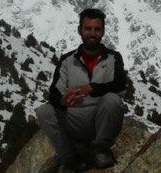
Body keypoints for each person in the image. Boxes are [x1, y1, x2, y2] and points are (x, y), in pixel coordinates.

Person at [36, 9, 126, 172]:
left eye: (97, 29)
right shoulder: (67, 60)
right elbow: (54, 93)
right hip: (75, 118)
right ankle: (68, 157)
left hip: (103, 117)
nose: (92, 33)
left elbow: (120, 85)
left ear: (103, 32)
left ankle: (101, 148)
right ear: (80, 31)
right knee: (44, 111)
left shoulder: (114, 57)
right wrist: (63, 100)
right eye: (88, 28)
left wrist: (90, 88)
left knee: (113, 99)